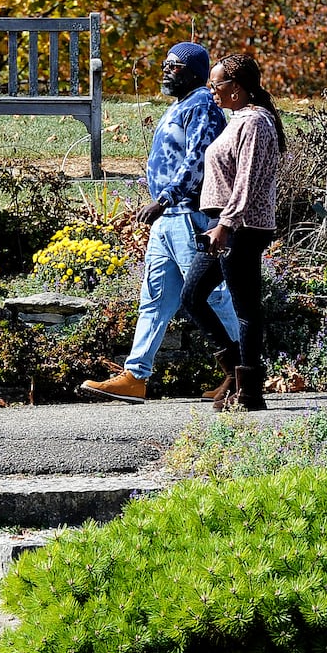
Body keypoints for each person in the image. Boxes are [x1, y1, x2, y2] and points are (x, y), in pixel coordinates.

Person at [80, 43, 241, 404]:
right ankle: (135, 376)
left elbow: (199, 159)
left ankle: (243, 372)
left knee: (213, 296)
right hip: (168, 220)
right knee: (154, 300)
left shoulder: (201, 105)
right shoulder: (180, 106)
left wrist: (164, 198)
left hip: (190, 215)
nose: (166, 70)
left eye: (175, 66)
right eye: (165, 64)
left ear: (197, 73)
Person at [179, 53, 284, 411]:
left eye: (216, 84)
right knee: (191, 296)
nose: (212, 91)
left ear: (236, 89)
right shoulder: (239, 119)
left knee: (246, 309)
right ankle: (235, 375)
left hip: (240, 227)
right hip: (221, 226)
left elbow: (249, 181)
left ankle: (250, 392)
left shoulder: (255, 123)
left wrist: (226, 224)